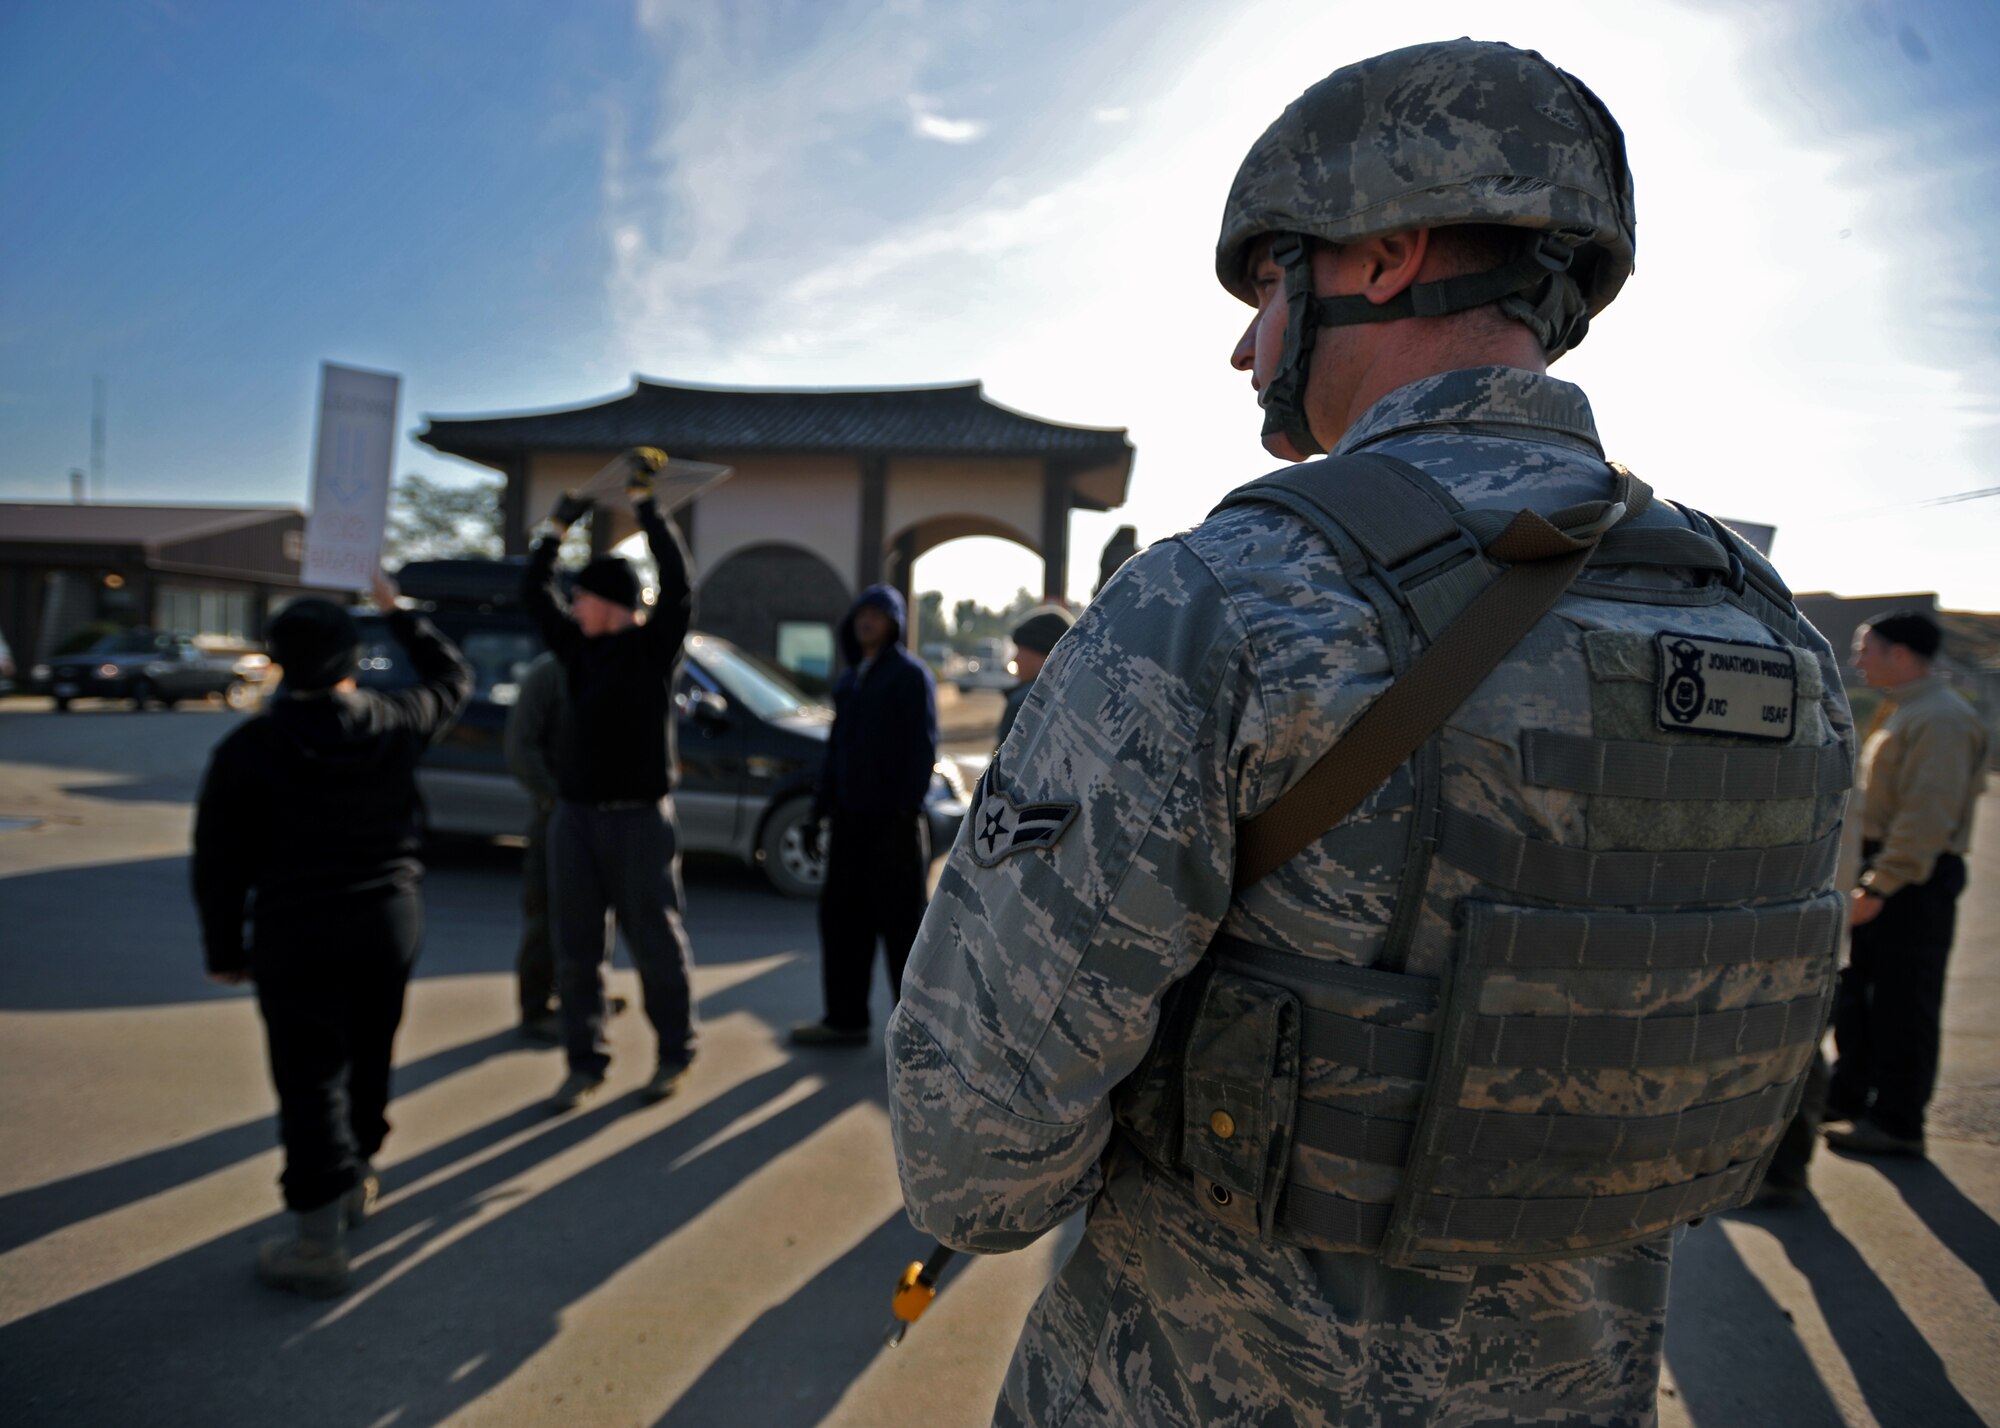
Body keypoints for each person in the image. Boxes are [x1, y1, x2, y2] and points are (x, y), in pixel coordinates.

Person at [888, 39, 1854, 1426]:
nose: (1245, 344)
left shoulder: (1225, 601)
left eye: (1269, 283)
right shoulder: (1776, 640)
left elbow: (976, 1155)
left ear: (1385, 255)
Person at [192, 572, 473, 1297]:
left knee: (310, 1074)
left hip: (297, 927)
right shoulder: (396, 720)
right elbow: (453, 676)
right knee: (370, 1049)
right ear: (352, 659)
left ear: (280, 661)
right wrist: (399, 611)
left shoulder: (249, 748)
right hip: (387, 920)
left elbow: (218, 862)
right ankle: (358, 1176)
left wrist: (225, 950)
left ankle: (318, 1238)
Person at [523, 471, 699, 1112]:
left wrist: (649, 509)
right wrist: (557, 524)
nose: (572, 606)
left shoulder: (654, 648)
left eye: (584, 597)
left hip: (639, 822)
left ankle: (675, 1052)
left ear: (613, 603)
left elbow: (679, 583)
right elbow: (532, 589)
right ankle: (583, 1062)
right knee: (576, 951)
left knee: (655, 943)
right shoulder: (574, 650)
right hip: (575, 819)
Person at [1823, 610, 1988, 1157]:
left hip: (1910, 876)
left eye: (1865, 649)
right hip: (1890, 869)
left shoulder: (1939, 719)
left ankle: (1898, 1122)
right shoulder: (1911, 711)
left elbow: (1926, 815)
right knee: (1864, 996)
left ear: (1900, 654)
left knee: (1902, 1001)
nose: (1857, 660)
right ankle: (1850, 1100)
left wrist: (1881, 886)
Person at [790, 585, 938, 1047]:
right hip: (850, 823)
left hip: (892, 823)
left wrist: (905, 809)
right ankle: (845, 1019)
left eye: (877, 615)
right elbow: (836, 753)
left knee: (902, 931)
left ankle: (916, 1035)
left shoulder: (909, 676)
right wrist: (818, 815)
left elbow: (922, 748)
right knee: (841, 921)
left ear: (894, 624)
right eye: (861, 615)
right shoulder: (852, 679)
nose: (866, 622)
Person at [995, 604, 1074, 748]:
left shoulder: (1023, 702)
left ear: (1042, 655)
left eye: (1020, 650)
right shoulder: (1076, 699)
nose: (1015, 659)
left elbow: (1002, 768)